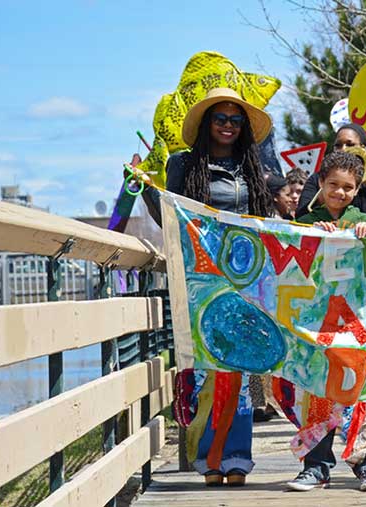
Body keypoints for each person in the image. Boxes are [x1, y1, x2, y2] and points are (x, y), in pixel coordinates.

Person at [141, 87, 275, 487]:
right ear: (207, 124)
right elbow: (170, 214)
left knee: (241, 367)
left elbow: (263, 222)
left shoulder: (251, 168)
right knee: (204, 372)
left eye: (236, 121)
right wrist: (145, 186)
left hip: (243, 281)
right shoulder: (184, 165)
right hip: (198, 282)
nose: (229, 127)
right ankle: (208, 459)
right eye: (221, 119)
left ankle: (237, 458)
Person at [284, 148, 366, 493]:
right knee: (316, 390)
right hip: (316, 324)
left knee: (364, 391)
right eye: (333, 185)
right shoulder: (305, 223)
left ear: (356, 190)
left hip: (355, 323)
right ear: (320, 183)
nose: (340, 192)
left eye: (347, 187)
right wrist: (311, 235)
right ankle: (316, 467)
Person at [296, 123, 366, 225]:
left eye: (350, 144)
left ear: (362, 148)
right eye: (338, 145)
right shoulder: (318, 178)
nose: (343, 149)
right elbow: (302, 216)